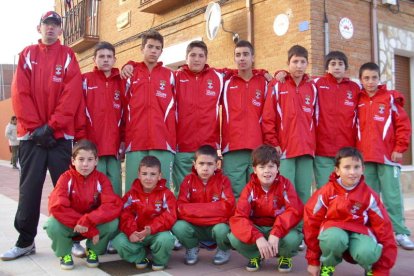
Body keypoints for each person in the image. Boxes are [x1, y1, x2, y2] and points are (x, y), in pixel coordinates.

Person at [1, 11, 84, 261]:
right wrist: (37, 128)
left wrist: (52, 126)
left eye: (55, 26)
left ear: (60, 31)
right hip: (32, 138)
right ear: (39, 28)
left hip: (59, 137)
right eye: (47, 25)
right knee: (30, 190)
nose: (50, 29)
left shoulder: (68, 56)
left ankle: (74, 238)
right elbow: (20, 94)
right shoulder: (27, 55)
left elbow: (72, 94)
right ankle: (25, 241)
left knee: (67, 189)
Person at [304, 147, 397, 276]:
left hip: (359, 231)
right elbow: (311, 224)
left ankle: (370, 267)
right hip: (334, 232)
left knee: (368, 252)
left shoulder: (369, 195)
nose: (352, 172)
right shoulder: (326, 192)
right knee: (333, 239)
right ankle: (328, 265)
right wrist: (313, 261)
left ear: (363, 169)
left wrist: (382, 269)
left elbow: (384, 228)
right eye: (347, 167)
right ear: (337, 170)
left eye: (356, 167)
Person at [357, 62, 414, 250]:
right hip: (365, 158)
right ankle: (372, 231)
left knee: (393, 197)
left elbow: (403, 126)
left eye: (374, 77)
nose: (370, 81)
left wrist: (400, 148)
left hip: (388, 157)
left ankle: (401, 233)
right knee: (370, 198)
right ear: (361, 80)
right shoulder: (359, 100)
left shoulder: (390, 98)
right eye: (366, 78)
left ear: (379, 78)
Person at [44, 140, 122, 270]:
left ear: (96, 161)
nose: (85, 164)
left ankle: (93, 251)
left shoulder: (101, 179)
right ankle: (65, 253)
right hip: (72, 225)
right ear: (73, 161)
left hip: (91, 223)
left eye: (90, 159)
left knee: (112, 222)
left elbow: (111, 206)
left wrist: (88, 221)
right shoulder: (65, 178)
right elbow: (57, 207)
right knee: (52, 224)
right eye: (81, 159)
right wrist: (86, 227)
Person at [79, 41, 125, 256]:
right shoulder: (86, 81)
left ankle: (114, 238)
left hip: (113, 151)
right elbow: (79, 112)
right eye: (101, 56)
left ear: (115, 59)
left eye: (109, 56)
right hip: (92, 152)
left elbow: (126, 115)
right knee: (93, 198)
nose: (105, 59)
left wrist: (124, 140)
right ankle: (92, 238)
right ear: (94, 59)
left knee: (114, 197)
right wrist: (82, 144)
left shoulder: (121, 82)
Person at [228, 145, 304, 273]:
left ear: (278, 168)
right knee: (234, 237)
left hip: (279, 228)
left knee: (293, 238)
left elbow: (294, 211)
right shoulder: (249, 188)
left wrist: (276, 232)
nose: (266, 171)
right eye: (262, 167)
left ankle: (285, 257)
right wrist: (257, 237)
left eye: (271, 166)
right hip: (258, 228)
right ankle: (256, 255)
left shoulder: (285, 185)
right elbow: (239, 217)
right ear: (255, 169)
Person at [122, 29, 176, 193]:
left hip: (162, 140)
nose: (153, 51)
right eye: (150, 46)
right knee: (134, 189)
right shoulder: (130, 74)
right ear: (142, 48)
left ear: (161, 51)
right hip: (136, 140)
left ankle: (162, 219)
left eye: (157, 48)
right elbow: (122, 108)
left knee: (162, 190)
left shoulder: (170, 75)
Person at [262, 45, 317, 204]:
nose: (299, 65)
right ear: (288, 63)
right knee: (285, 192)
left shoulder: (312, 87)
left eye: (302, 62)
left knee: (304, 193)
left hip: (306, 149)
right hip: (285, 149)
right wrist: (273, 142)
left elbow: (316, 118)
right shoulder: (278, 84)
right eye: (295, 61)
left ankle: (302, 227)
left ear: (307, 63)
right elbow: (268, 117)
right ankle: (286, 226)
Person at [172, 40, 226, 194]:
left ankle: (208, 217)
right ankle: (183, 218)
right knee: (182, 192)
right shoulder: (174, 77)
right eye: (192, 55)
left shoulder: (218, 77)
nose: (196, 59)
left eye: (201, 56)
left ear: (206, 58)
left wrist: (264, 73)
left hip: (208, 147)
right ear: (186, 57)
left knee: (208, 192)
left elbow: (241, 71)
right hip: (182, 147)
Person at [172, 145, 235, 265]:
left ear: (217, 165)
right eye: (201, 163)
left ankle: (223, 249)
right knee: (178, 226)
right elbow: (180, 207)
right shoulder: (188, 180)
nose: (205, 168)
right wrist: (214, 210)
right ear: (194, 164)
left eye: (210, 164)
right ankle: (192, 247)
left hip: (215, 227)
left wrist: (194, 210)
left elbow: (228, 207)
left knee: (222, 229)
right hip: (197, 227)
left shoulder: (223, 181)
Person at [221, 40, 269, 198]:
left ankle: (254, 224)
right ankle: (236, 223)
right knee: (234, 194)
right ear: (234, 58)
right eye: (238, 55)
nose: (242, 58)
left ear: (253, 57)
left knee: (257, 193)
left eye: (246, 54)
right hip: (233, 147)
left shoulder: (264, 82)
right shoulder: (225, 82)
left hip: (257, 146)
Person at [112, 156, 177, 271]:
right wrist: (131, 231)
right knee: (118, 241)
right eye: (144, 173)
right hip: (137, 234)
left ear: (159, 176)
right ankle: (141, 257)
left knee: (166, 239)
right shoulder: (131, 194)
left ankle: (159, 260)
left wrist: (150, 229)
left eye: (153, 174)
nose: (148, 178)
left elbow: (170, 216)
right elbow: (124, 214)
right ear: (139, 175)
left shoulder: (166, 194)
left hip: (156, 233)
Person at [313, 51, 360, 188]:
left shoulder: (355, 88)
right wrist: (281, 72)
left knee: (346, 190)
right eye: (333, 64)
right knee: (325, 190)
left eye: (340, 64)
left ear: (346, 68)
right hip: (322, 150)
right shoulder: (317, 84)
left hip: (346, 151)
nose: (337, 67)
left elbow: (373, 93)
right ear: (327, 68)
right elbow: (297, 80)